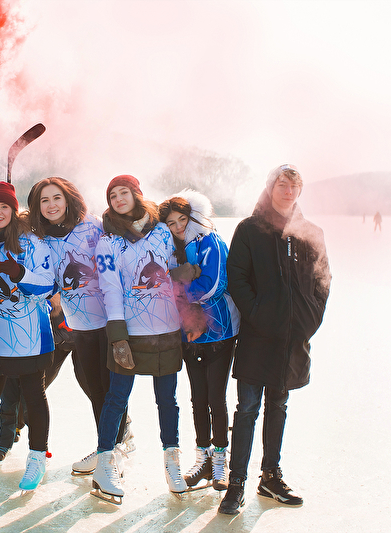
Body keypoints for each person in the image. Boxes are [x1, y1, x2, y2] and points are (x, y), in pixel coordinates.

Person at [219, 164, 331, 514]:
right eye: (282, 184)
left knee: (278, 406)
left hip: (292, 338)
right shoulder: (250, 229)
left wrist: (307, 320)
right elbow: (237, 278)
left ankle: (270, 477)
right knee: (248, 409)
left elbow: (323, 281)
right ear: (270, 188)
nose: (287, 191)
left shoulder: (310, 233)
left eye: (294, 186)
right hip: (258, 336)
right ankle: (236, 483)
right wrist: (259, 314)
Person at [27, 177, 133, 477]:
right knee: (96, 390)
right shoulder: (41, 240)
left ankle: (114, 449)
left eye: (56, 198)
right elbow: (46, 279)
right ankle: (106, 449)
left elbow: (121, 258)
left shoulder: (92, 226)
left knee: (112, 390)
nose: (51, 205)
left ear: (68, 199)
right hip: (80, 325)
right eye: (44, 200)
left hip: (110, 321)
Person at [91, 175, 186, 504]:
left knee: (167, 400)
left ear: (137, 194)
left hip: (166, 329)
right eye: (112, 195)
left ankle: (172, 463)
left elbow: (173, 268)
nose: (118, 199)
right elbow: (110, 290)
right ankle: (104, 464)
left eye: (124, 193)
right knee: (116, 399)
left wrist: (184, 277)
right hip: (130, 332)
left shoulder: (162, 231)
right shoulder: (108, 242)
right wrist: (118, 338)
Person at [0, 181, 55, 492]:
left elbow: (47, 285)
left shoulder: (32, 242)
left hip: (29, 335)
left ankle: (37, 456)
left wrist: (19, 273)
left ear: (13, 210)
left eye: (4, 206)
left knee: (34, 393)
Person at [159, 192, 240, 492]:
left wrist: (179, 290)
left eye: (182, 219)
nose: (178, 227)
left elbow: (214, 283)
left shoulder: (210, 241)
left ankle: (220, 460)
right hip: (189, 333)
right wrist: (176, 283)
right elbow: (161, 283)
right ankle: (202, 457)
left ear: (193, 216)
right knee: (197, 397)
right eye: (171, 223)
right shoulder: (172, 249)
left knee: (216, 397)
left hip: (219, 330)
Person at [0, 293, 74, 462]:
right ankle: (4, 442)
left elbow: (66, 332)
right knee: (8, 399)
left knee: (32, 398)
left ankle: (39, 447)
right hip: (14, 343)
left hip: (46, 346)